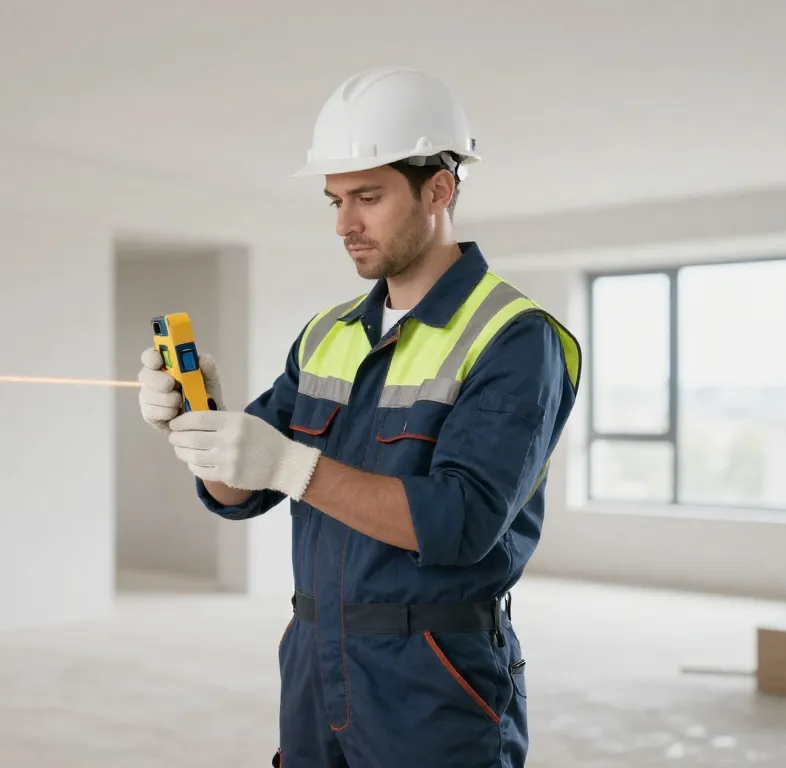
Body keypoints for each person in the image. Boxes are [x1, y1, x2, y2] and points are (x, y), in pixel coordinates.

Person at [137, 66, 581, 767]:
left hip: (433, 677)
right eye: (335, 200)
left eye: (368, 197)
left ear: (440, 187)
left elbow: (460, 522)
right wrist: (198, 425)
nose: (345, 224)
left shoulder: (514, 337)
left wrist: (285, 462)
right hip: (315, 661)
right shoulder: (328, 334)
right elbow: (240, 491)